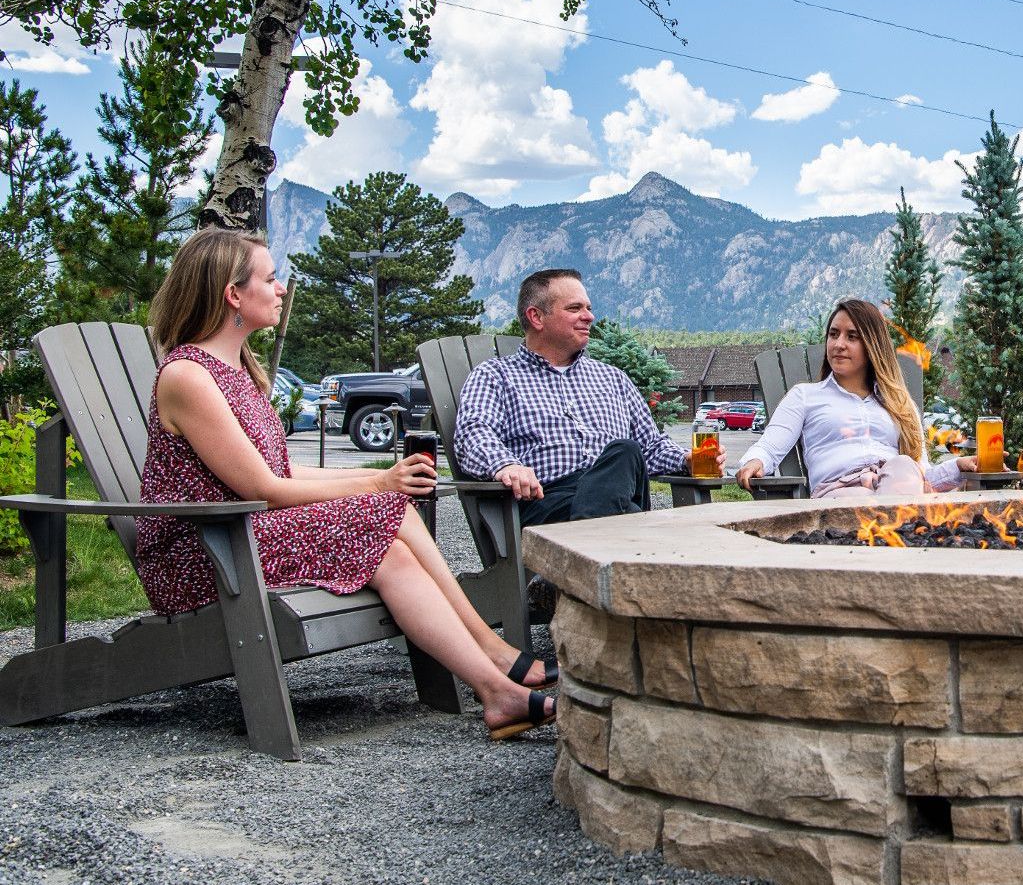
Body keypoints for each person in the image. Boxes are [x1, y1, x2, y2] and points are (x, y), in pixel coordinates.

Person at [137, 228, 554, 741]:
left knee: (392, 531)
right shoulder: (188, 376)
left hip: (246, 536)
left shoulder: (236, 371)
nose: (281, 288)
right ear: (234, 295)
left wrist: (380, 481)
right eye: (270, 279)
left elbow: (282, 471)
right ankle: (495, 666)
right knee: (388, 513)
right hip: (205, 554)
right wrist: (378, 482)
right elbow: (263, 487)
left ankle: (498, 685)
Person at [455, 268, 690, 617]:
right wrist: (506, 465)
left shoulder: (612, 379)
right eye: (575, 308)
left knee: (624, 452)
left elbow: (651, 447)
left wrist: (688, 460)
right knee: (636, 512)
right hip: (548, 504)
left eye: (588, 307)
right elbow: (473, 432)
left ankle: (569, 574)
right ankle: (597, 567)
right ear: (536, 316)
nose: (589, 316)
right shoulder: (496, 376)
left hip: (615, 489)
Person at [736, 299, 969, 497]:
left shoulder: (900, 403)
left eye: (852, 337)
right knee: (878, 501)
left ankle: (890, 530)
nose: (839, 344)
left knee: (905, 465)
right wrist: (754, 463)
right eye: (834, 334)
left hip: (897, 486)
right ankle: (896, 534)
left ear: (872, 346)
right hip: (840, 493)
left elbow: (923, 472)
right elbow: (768, 447)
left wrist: (959, 467)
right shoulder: (805, 396)